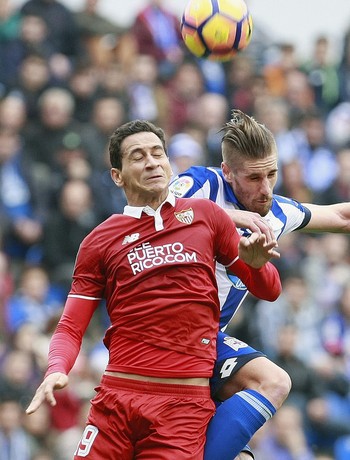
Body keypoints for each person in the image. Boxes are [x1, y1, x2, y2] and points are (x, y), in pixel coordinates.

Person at [25, 119, 281, 459]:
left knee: (275, 380)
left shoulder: (208, 216)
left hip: (181, 408)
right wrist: (57, 368)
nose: (151, 162)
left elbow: (269, 290)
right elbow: (71, 325)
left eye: (158, 153)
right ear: (117, 175)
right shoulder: (100, 240)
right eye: (138, 156)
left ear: (170, 164)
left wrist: (256, 263)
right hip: (116, 401)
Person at [169, 109, 350, 460]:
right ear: (227, 172)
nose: (265, 188)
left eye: (272, 174)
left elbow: (342, 217)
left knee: (271, 390)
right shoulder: (200, 184)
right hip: (162, 334)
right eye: (253, 178)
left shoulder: (277, 214)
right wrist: (232, 216)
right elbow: (159, 208)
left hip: (205, 341)